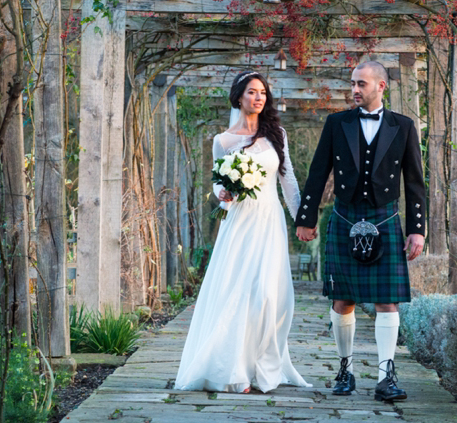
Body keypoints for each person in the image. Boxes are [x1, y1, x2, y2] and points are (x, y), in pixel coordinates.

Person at [296, 61, 425, 402]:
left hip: (384, 218)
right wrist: (306, 217)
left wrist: (417, 230)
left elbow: (414, 182)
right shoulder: (337, 123)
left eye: (362, 84)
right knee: (343, 299)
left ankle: (386, 376)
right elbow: (317, 170)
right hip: (345, 216)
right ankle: (345, 369)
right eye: (353, 83)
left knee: (388, 300)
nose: (355, 89)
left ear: (381, 86)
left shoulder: (404, 126)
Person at [175, 71, 310, 394]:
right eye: (252, 92)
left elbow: (288, 180)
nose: (258, 98)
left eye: (262, 92)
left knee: (269, 294)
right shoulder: (222, 141)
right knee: (238, 291)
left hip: (270, 220)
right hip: (240, 223)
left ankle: (262, 364)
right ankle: (234, 369)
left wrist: (302, 220)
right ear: (239, 97)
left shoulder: (277, 134)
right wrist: (223, 195)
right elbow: (220, 185)